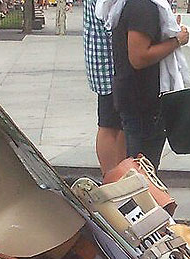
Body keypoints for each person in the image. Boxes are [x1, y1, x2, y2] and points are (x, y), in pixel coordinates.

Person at [107, 0, 189, 170]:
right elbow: (139, 57)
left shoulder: (140, 5)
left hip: (137, 97)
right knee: (143, 171)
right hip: (142, 100)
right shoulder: (142, 7)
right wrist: (176, 41)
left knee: (141, 169)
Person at [83, 0, 126, 174]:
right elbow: (113, 24)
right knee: (111, 125)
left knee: (113, 123)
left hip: (104, 62)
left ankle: (113, 177)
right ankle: (112, 177)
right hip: (110, 64)